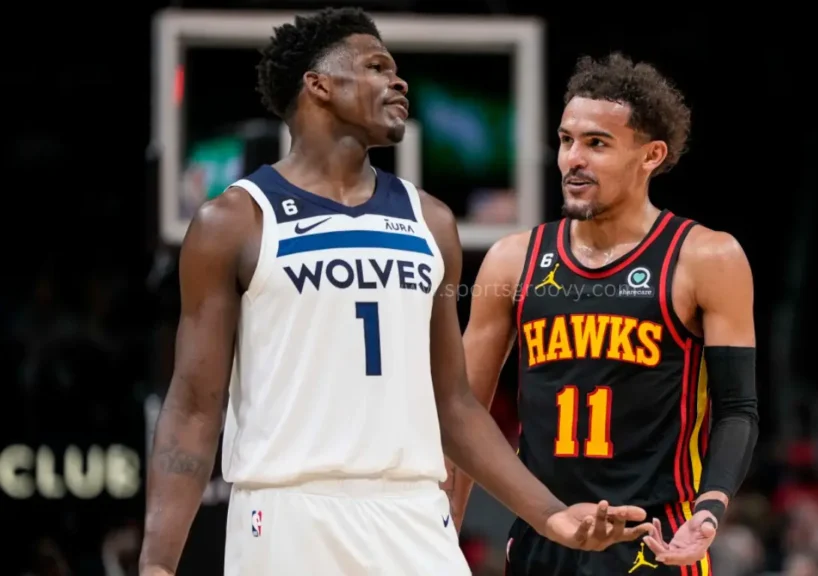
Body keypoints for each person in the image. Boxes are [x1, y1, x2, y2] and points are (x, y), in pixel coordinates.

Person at [137, 10, 651, 576]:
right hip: (286, 512)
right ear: (319, 85)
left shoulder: (430, 219)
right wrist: (158, 563)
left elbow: (453, 404)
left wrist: (553, 517)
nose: (399, 81)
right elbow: (191, 405)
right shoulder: (234, 221)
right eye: (377, 67)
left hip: (411, 511)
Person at [449, 53, 760, 574]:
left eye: (597, 143)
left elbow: (737, 409)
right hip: (543, 538)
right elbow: (462, 415)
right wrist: (442, 535)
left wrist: (710, 509)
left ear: (650, 155)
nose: (574, 158)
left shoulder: (706, 257)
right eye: (567, 140)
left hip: (656, 543)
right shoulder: (513, 259)